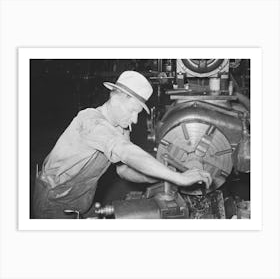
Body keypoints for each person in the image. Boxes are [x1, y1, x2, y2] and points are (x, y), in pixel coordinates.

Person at [32, 71, 212, 218]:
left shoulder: (121, 127)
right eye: (133, 110)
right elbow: (126, 152)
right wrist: (179, 178)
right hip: (54, 201)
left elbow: (124, 170)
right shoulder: (90, 121)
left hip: (82, 200)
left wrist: (162, 176)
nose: (134, 120)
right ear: (118, 97)